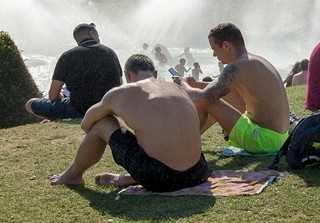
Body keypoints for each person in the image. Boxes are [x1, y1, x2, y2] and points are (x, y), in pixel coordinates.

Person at [49, 54, 211, 192]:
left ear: (127, 75)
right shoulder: (176, 88)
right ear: (155, 73)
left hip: (163, 179)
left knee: (103, 123)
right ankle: (131, 178)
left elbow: (87, 124)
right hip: (199, 172)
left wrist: (121, 126)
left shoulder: (121, 93)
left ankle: (72, 176)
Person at [176, 22, 290, 155]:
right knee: (225, 95)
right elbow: (221, 88)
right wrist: (195, 84)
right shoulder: (255, 61)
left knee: (209, 101)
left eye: (214, 48)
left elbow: (202, 98)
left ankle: (185, 145)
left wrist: (182, 84)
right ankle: (186, 143)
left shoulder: (235, 67)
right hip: (280, 138)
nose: (213, 55)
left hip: (264, 141)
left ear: (226, 45)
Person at [25, 22, 122, 121]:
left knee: (30, 104)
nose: (98, 37)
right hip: (107, 108)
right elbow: (119, 85)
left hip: (78, 110)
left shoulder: (67, 56)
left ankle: (55, 120)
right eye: (97, 34)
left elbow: (53, 96)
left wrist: (62, 96)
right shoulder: (110, 53)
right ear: (91, 33)